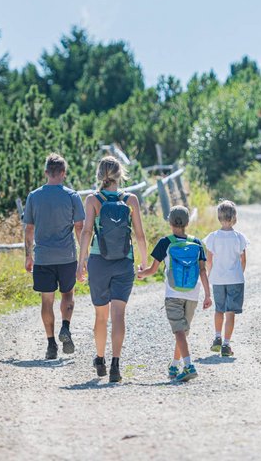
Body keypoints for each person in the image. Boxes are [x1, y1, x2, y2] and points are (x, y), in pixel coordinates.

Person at [77, 156, 148, 383]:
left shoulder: (92, 200)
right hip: (124, 262)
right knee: (119, 315)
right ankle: (116, 365)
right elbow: (139, 235)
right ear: (120, 174)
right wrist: (144, 263)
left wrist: (81, 262)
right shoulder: (131, 200)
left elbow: (86, 232)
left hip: (99, 262)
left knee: (101, 315)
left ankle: (100, 359)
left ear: (100, 175)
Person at [136, 205, 212, 383]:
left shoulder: (165, 242)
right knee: (182, 332)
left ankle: (189, 366)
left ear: (170, 222)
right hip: (193, 293)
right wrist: (208, 295)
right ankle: (174, 365)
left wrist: (139, 274)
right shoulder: (197, 243)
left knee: (179, 331)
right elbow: (202, 271)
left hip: (173, 292)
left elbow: (152, 270)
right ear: (187, 223)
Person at [24, 153, 85, 360]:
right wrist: (83, 257)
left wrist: (28, 256)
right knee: (68, 295)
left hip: (43, 257)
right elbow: (79, 227)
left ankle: (51, 344)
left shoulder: (33, 196)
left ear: (46, 173)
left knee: (46, 301)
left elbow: (29, 228)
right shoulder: (72, 196)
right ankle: (65, 327)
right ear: (63, 173)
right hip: (67, 256)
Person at [204, 200, 249, 357]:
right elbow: (243, 260)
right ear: (234, 217)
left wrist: (211, 274)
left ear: (219, 217)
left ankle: (217, 336)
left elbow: (209, 260)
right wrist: (239, 273)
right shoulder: (239, 238)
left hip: (218, 279)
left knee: (219, 310)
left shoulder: (213, 237)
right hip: (235, 279)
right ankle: (226, 344)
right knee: (230, 313)